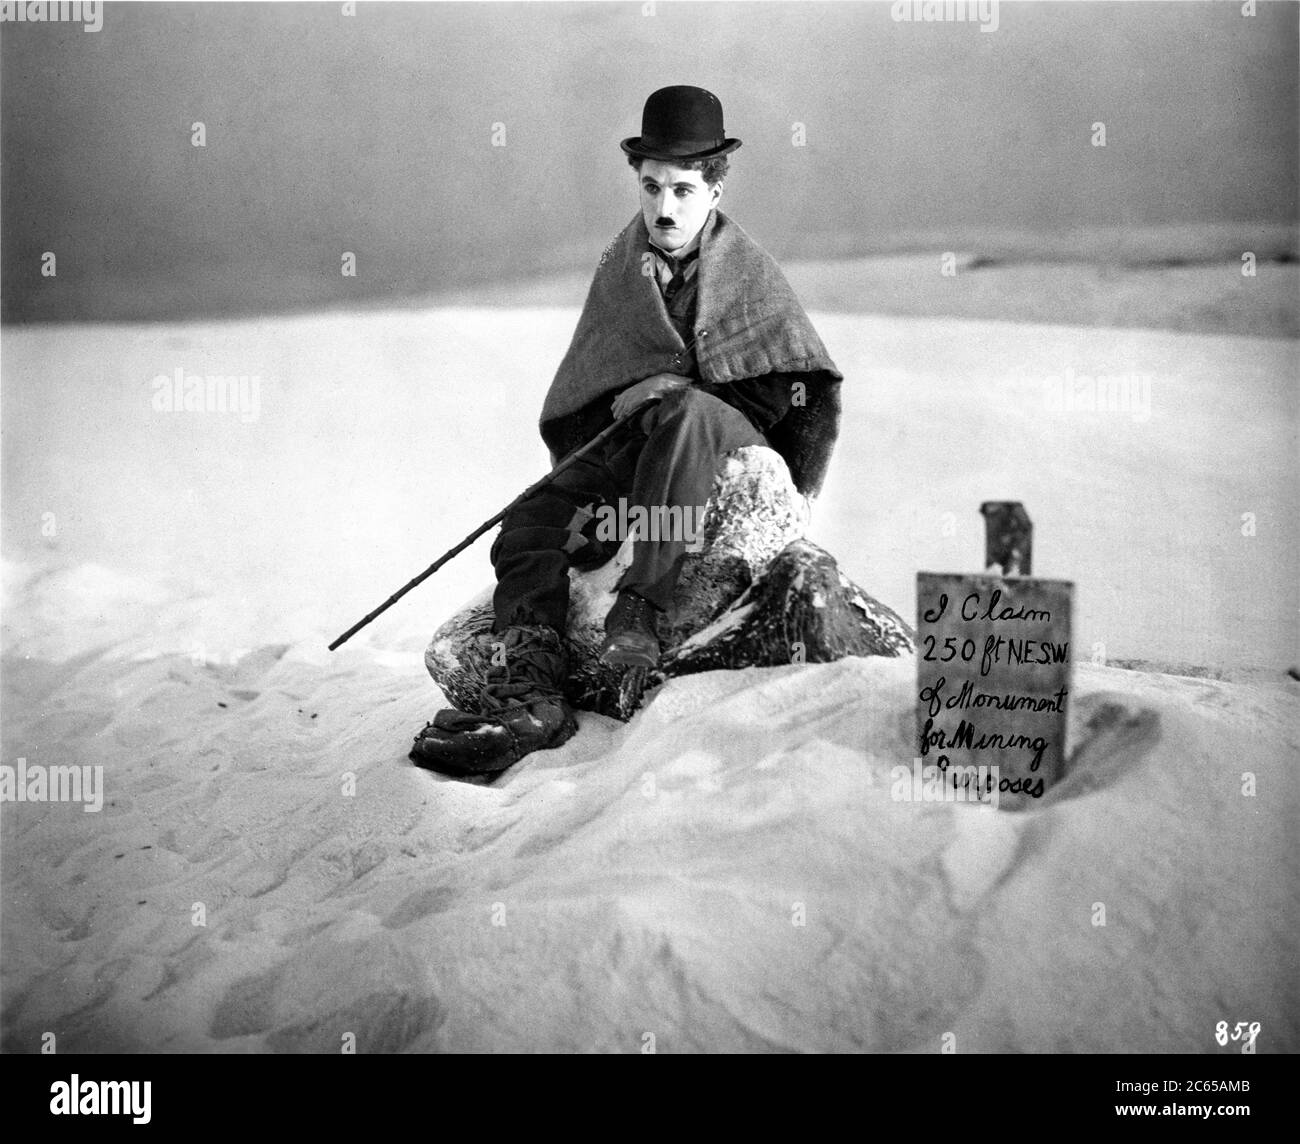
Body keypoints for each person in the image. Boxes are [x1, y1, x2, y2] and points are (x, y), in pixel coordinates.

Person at [412, 85, 842, 777]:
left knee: (685, 414)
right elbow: (593, 383)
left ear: (716, 189)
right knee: (534, 512)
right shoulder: (623, 265)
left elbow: (784, 388)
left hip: (724, 437)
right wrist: (624, 413)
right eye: (651, 187)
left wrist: (678, 387)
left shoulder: (750, 274)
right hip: (640, 440)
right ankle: (531, 689)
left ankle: (639, 611)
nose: (664, 208)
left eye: (682, 189)